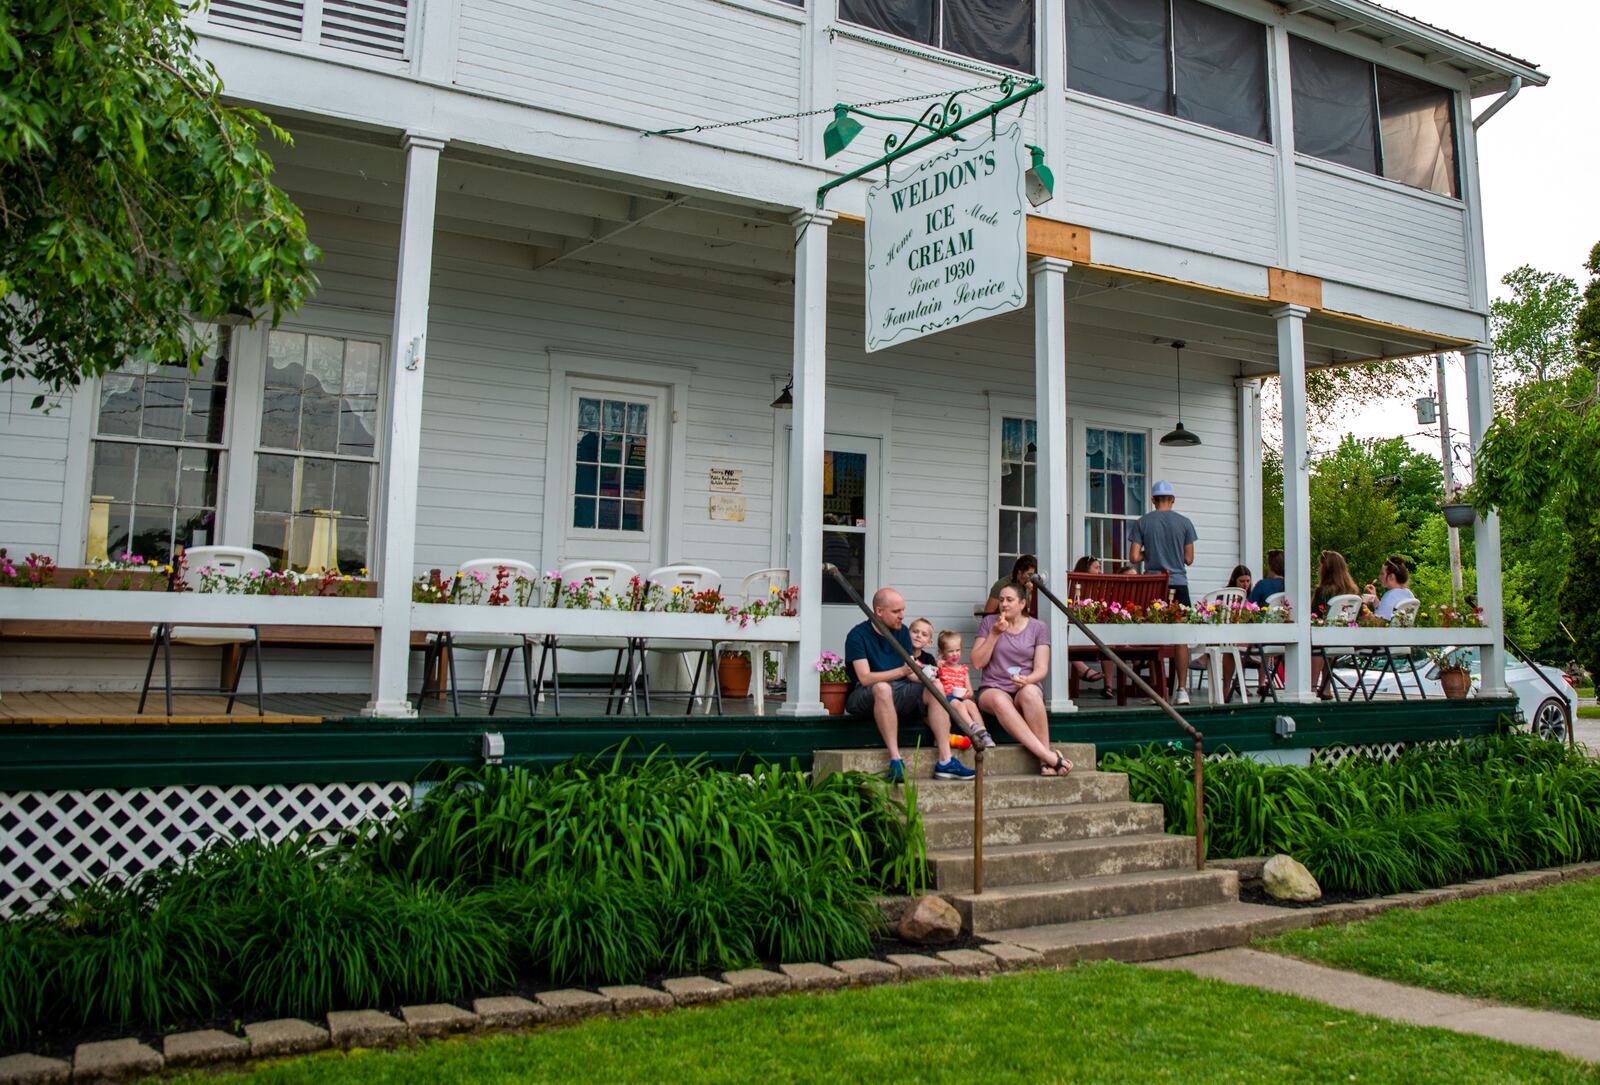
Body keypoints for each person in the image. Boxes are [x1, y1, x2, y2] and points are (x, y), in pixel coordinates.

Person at [844, 588, 974, 783]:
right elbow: (865, 678)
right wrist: (902, 672)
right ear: (879, 611)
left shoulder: (902, 632)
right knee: (882, 688)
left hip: (899, 688)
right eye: (896, 611)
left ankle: (945, 762)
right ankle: (896, 760)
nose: (902, 616)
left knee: (936, 687)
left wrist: (926, 676)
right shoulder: (858, 635)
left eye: (903, 610)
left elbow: (909, 671)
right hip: (863, 694)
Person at [973, 583, 1073, 776]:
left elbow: (1041, 668)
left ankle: (1045, 760)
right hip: (992, 688)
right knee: (999, 699)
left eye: (1009, 600)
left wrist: (1027, 681)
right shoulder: (989, 623)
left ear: (1022, 603)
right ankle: (1050, 758)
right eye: (1001, 600)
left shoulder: (1038, 627)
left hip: (1023, 683)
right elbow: (977, 662)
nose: (1003, 604)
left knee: (1031, 693)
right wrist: (994, 634)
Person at [1129, 480, 1198, 705]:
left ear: (1153, 500)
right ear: (1173, 500)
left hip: (1153, 584)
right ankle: (1182, 690)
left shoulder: (1143, 522)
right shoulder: (1185, 523)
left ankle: (1158, 691)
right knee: (1181, 637)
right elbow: (1189, 559)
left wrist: (1151, 553)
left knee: (1154, 637)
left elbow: (1134, 558)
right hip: (1178, 583)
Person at [1311, 550, 1362, 698]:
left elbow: (1315, 617)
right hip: (1344, 640)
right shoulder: (1352, 592)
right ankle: (1326, 688)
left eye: (1320, 566)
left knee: (1314, 642)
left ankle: (1313, 686)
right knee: (1326, 644)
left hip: (1324, 640)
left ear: (1326, 569)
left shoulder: (1323, 592)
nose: (1318, 569)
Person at [934, 630, 995, 751]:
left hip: (960, 698)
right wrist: (937, 663)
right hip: (947, 699)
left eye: (957, 650)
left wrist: (967, 694)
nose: (954, 654)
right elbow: (929, 666)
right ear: (942, 653)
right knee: (959, 705)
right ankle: (972, 726)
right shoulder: (941, 667)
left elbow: (970, 691)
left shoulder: (963, 669)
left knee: (971, 704)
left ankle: (984, 734)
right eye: (950, 651)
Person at [1068, 555, 1112, 696]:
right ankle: (1106, 684)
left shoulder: (1100, 588)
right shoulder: (1074, 587)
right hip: (1077, 630)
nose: (1100, 572)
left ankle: (1108, 687)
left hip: (1095, 631)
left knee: (1107, 640)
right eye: (1097, 568)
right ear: (1086, 569)